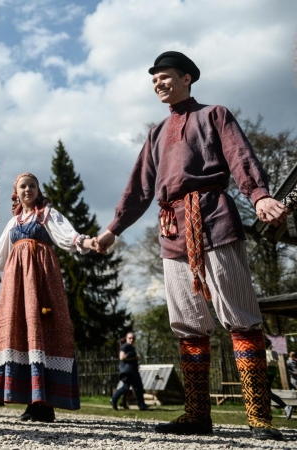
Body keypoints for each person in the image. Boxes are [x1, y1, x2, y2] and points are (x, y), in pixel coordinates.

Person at [95, 51, 287, 440]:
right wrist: (114, 228)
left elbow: (240, 157)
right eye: (154, 80)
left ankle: (258, 416)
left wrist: (260, 196)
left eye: (164, 77)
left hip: (213, 219)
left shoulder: (215, 114)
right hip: (171, 232)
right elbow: (139, 189)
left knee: (240, 314)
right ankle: (198, 414)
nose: (158, 85)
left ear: (186, 78)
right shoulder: (155, 134)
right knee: (187, 323)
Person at [0, 173, 97, 422]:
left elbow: (67, 235)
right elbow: (0, 255)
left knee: (44, 330)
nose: (28, 190)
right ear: (16, 192)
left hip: (42, 280)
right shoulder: (14, 222)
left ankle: (45, 404)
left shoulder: (48, 214)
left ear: (38, 190)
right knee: (22, 333)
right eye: (23, 186)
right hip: (17, 284)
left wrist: (86, 242)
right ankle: (31, 401)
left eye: (32, 186)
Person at [110, 332, 149, 411]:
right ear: (127, 338)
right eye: (130, 338)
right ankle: (113, 399)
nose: (131, 340)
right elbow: (122, 357)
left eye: (133, 338)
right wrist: (134, 358)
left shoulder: (131, 347)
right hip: (128, 371)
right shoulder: (125, 346)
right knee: (125, 387)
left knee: (139, 388)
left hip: (134, 371)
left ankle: (141, 405)